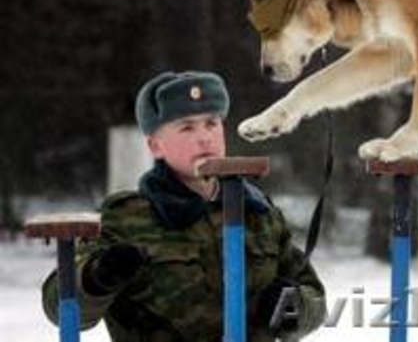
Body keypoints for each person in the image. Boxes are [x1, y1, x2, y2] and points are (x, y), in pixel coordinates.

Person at [42, 70, 326, 341]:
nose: (204, 136)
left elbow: (315, 297)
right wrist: (97, 278)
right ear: (155, 146)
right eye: (187, 127)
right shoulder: (127, 218)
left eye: (211, 123)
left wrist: (294, 308)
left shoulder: (258, 214)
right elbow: (60, 306)